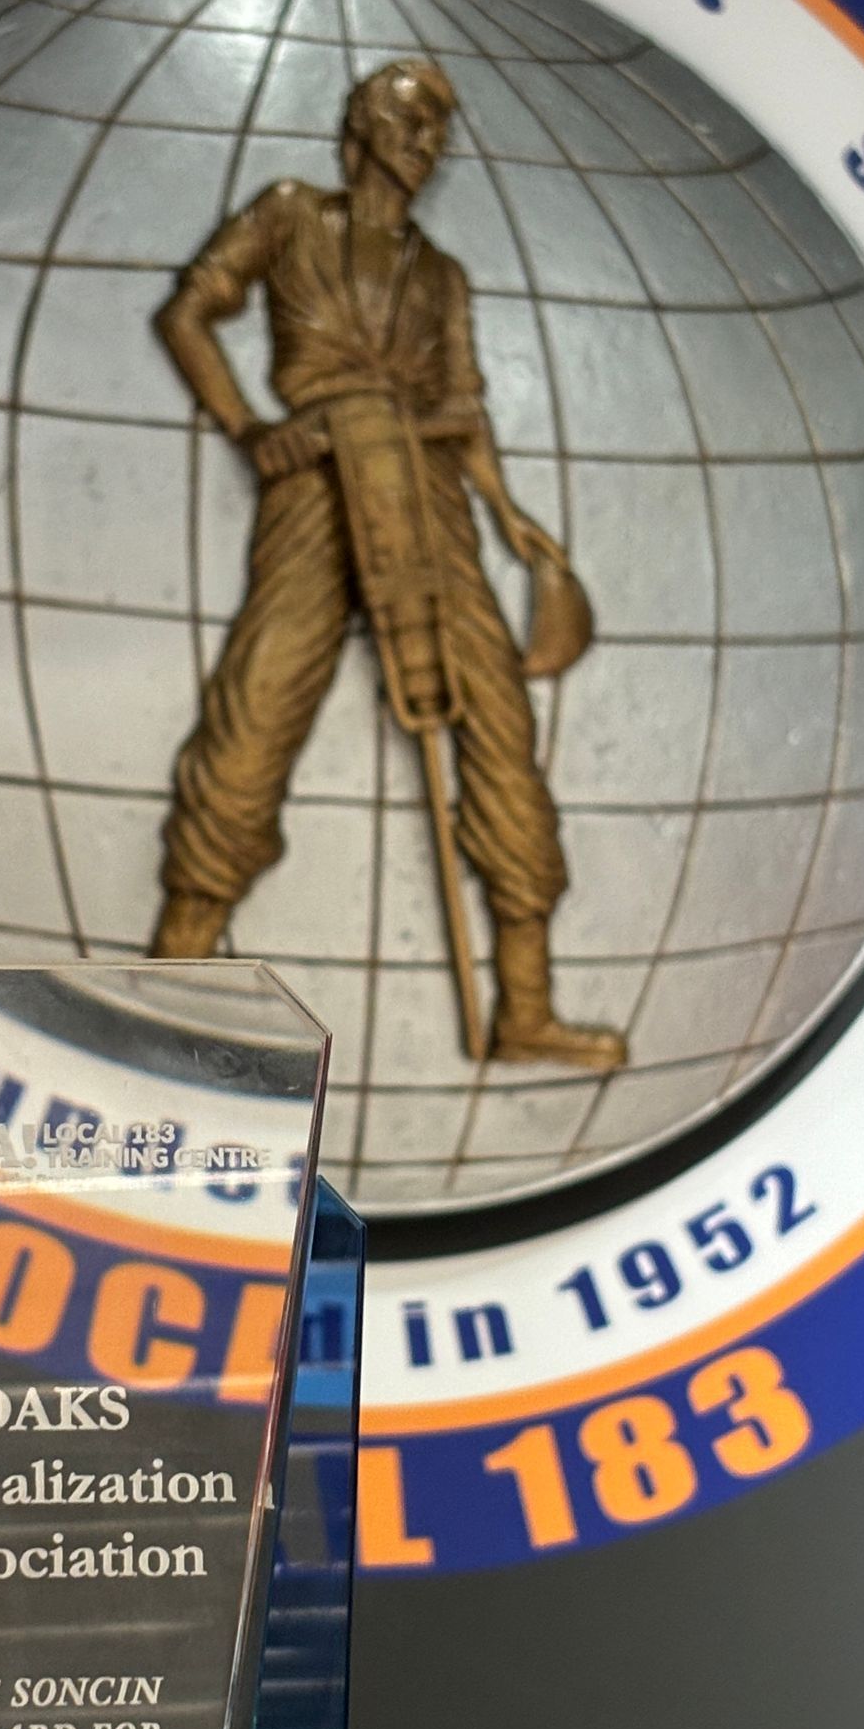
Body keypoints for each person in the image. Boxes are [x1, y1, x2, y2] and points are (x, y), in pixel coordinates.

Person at [147, 56, 625, 1071]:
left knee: (501, 719)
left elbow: (469, 405)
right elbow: (189, 311)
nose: (426, 145)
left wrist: (508, 515)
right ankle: (170, 981)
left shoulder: (441, 275)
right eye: (409, 126)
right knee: (259, 704)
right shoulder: (288, 215)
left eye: (438, 132)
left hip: (429, 493)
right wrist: (247, 430)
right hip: (318, 483)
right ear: (361, 127)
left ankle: (526, 1008)